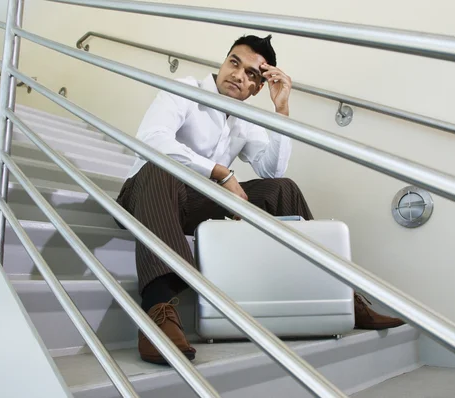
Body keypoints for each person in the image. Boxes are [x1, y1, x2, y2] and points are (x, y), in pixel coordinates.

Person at [117, 35, 404, 365]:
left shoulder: (242, 120)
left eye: (252, 74)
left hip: (194, 206)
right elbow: (153, 140)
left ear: (257, 87)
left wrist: (280, 110)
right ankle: (157, 310)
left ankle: (339, 293)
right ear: (224, 62)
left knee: (283, 188)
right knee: (160, 166)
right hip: (146, 194)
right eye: (234, 63)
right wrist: (220, 173)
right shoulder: (186, 88)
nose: (239, 75)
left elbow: (272, 169)